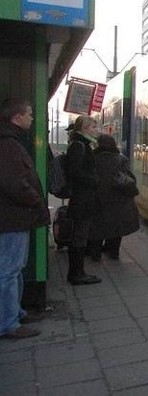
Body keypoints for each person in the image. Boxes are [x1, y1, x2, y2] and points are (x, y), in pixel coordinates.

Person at [0, 98, 50, 338]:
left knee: (14, 268)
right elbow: (13, 183)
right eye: (29, 114)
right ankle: (8, 323)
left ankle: (16, 312)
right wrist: (34, 199)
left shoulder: (10, 141)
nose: (32, 118)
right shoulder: (9, 144)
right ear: (17, 118)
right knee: (9, 270)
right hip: (12, 218)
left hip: (14, 217)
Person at [87, 134, 140, 261]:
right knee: (116, 226)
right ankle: (113, 252)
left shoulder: (93, 159)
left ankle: (96, 254)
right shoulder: (121, 159)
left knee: (97, 227)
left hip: (98, 199)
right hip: (118, 199)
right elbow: (129, 179)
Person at [65, 115, 102, 285]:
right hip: (82, 198)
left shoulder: (82, 144)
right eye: (94, 127)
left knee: (80, 235)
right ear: (84, 129)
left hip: (83, 198)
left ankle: (78, 272)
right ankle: (76, 274)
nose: (97, 130)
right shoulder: (80, 146)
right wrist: (93, 179)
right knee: (79, 236)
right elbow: (74, 172)